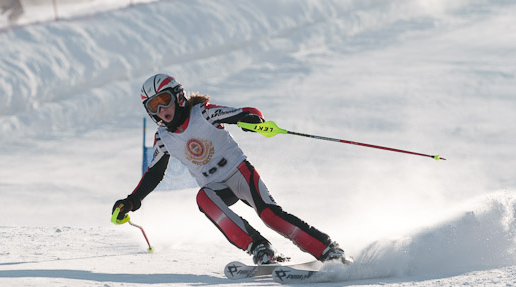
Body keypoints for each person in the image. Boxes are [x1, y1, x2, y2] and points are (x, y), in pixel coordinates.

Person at [112, 74, 347, 265]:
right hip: (215, 186)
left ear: (178, 96)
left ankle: (328, 250)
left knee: (270, 215)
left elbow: (244, 112)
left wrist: (254, 121)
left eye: (164, 99)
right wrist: (132, 201)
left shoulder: (202, 113)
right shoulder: (163, 138)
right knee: (203, 198)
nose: (162, 108)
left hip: (238, 173)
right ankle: (259, 247)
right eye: (153, 105)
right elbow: (153, 174)